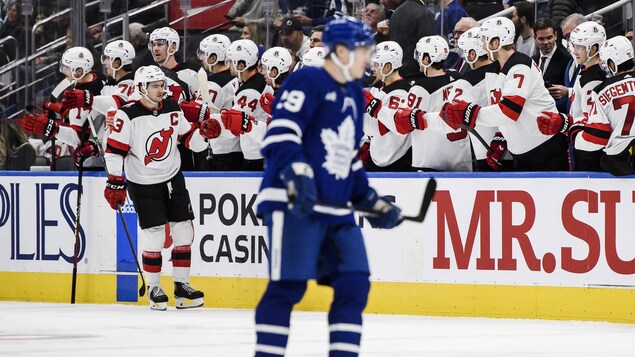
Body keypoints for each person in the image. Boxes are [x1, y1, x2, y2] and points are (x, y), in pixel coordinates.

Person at [253, 17, 402, 357]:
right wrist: (297, 170)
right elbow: (281, 132)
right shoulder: (306, 80)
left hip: (335, 208)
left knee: (354, 284)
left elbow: (346, 154)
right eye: (363, 50)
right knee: (287, 288)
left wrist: (367, 199)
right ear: (340, 51)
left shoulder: (354, 94)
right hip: (293, 201)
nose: (368, 58)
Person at [103, 65, 221, 310]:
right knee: (154, 234)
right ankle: (155, 287)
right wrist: (114, 181)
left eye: (162, 85)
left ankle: (181, 285)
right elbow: (114, 151)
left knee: (184, 232)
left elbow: (190, 141)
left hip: (173, 178)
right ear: (141, 88)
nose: (160, 90)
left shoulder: (172, 108)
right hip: (143, 183)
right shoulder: (128, 115)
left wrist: (205, 133)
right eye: (154, 86)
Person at [441, 17, 568, 171]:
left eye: (484, 41)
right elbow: (500, 110)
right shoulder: (495, 70)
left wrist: (471, 113)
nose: (482, 46)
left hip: (545, 149)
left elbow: (509, 111)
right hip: (521, 152)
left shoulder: (520, 65)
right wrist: (501, 137)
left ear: (495, 43)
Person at [393, 35, 474, 171]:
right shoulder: (458, 77)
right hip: (461, 160)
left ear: (427, 59)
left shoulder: (420, 89)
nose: (418, 60)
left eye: (420, 55)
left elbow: (403, 123)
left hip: (430, 162)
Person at [537, 21, 606, 171]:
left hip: (590, 156)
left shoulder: (594, 79)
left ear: (593, 48)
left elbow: (591, 127)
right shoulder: (585, 70)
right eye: (574, 46)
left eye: (579, 47)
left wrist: (563, 124)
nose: (574, 51)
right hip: (581, 148)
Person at [571, 36, 635, 176]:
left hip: (619, 163)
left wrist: (574, 134)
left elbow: (595, 139)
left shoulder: (602, 91)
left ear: (613, 63)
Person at [455, 27, 504, 171]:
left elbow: (453, 117)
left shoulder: (465, 82)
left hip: (486, 152)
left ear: (472, 53)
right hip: (510, 147)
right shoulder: (505, 69)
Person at [221, 39, 274, 171]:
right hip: (258, 151)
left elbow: (232, 125)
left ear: (241, 65)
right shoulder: (254, 81)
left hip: (257, 155)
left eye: (232, 62)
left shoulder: (250, 91)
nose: (229, 66)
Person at [361, 41, 412, 171]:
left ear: (388, 67)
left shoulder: (402, 93)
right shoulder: (380, 88)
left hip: (396, 163)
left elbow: (382, 128)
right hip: (380, 159)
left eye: (377, 65)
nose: (373, 68)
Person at [194, 34, 242, 171]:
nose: (201, 58)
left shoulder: (213, 84)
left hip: (222, 149)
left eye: (204, 54)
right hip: (239, 145)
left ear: (213, 58)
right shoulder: (237, 78)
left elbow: (198, 112)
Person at [532, 17, 571, 113]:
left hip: (557, 115)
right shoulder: (532, 61)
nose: (545, 42)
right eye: (541, 39)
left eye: (549, 38)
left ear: (555, 36)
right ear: (535, 39)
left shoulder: (567, 60)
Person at [389, 0, 435, 80]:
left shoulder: (396, 13)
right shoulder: (424, 14)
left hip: (397, 75)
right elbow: (429, 47)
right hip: (417, 76)